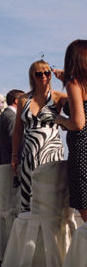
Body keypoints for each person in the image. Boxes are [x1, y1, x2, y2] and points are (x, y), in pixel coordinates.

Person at [11, 59, 67, 212]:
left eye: (47, 72)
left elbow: (80, 106)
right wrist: (15, 154)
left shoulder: (59, 97)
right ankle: (30, 233)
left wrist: (66, 79)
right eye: (38, 73)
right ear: (32, 77)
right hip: (29, 154)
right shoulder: (24, 99)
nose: (43, 76)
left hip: (52, 152)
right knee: (29, 196)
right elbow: (18, 129)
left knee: (51, 194)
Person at [54, 40, 87, 222]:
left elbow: (78, 123)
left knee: (84, 206)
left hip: (83, 151)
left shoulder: (74, 83)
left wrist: (59, 119)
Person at [0, 89, 24, 165]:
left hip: (4, 161)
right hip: (13, 163)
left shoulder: (2, 116)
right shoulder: (12, 117)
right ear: (17, 101)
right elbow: (14, 139)